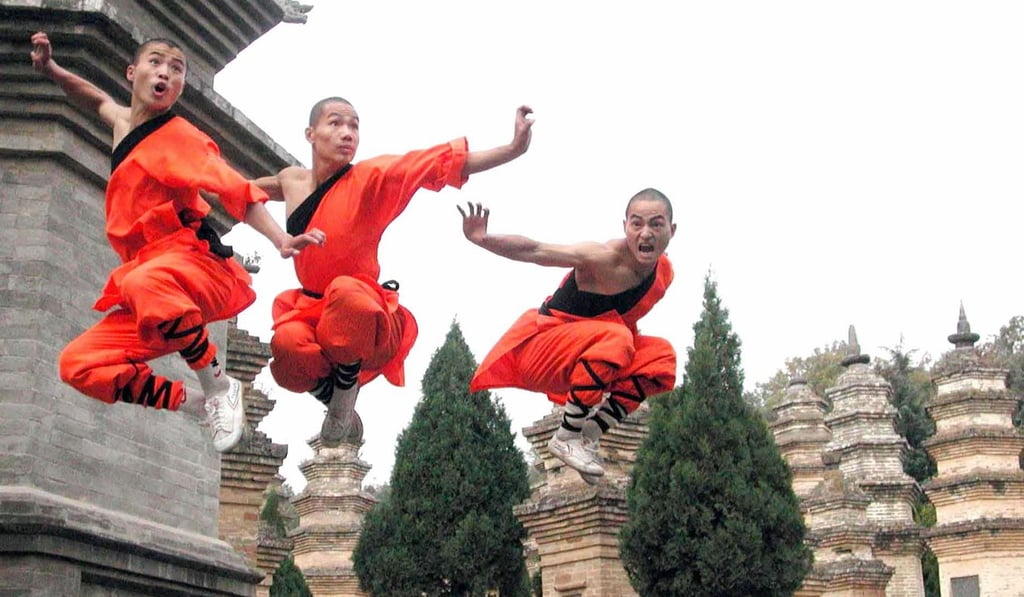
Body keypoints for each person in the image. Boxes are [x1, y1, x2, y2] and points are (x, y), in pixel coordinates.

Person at [30, 32, 324, 452]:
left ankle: (219, 384)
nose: (165, 72)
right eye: (156, 62)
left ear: (181, 85)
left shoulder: (181, 136)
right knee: (78, 364)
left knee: (143, 282)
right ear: (133, 73)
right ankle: (201, 403)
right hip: (154, 291)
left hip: (196, 267)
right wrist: (51, 70)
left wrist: (279, 238)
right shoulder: (122, 124)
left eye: (176, 68)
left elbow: (232, 187)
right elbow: (94, 98)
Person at [255, 97, 533, 446]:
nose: (347, 133)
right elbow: (238, 191)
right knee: (286, 347)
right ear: (311, 133)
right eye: (336, 123)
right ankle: (334, 398)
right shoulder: (291, 180)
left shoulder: (372, 176)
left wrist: (512, 148)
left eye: (354, 126)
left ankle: (344, 392)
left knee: (346, 291)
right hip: (311, 310)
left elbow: (436, 163)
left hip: (365, 317)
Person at [461, 189, 677, 483]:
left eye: (656, 224)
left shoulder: (663, 274)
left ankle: (589, 434)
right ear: (625, 226)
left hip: (591, 355)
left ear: (671, 230)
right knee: (617, 337)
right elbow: (535, 250)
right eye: (637, 224)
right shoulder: (602, 258)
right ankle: (566, 436)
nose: (646, 233)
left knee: (661, 357)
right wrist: (483, 239)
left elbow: (626, 320)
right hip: (542, 349)